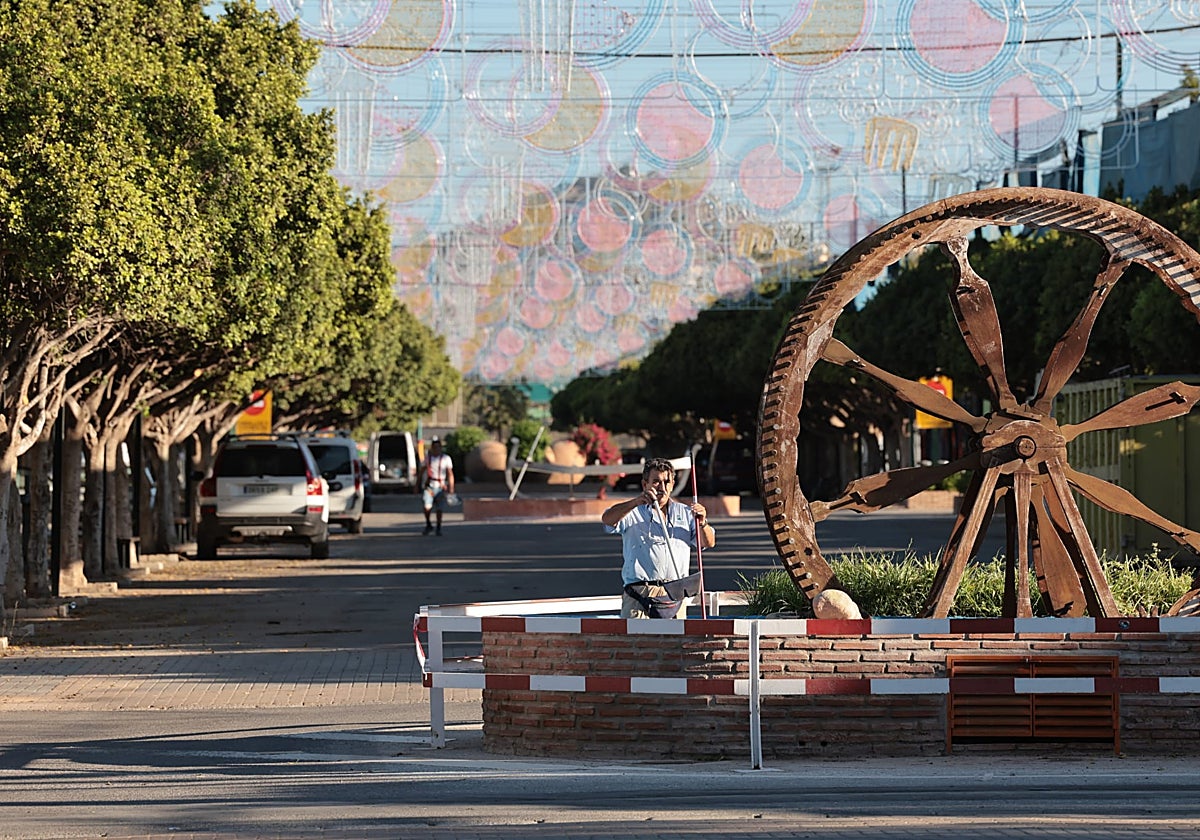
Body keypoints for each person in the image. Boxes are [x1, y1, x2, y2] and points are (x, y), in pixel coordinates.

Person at [601, 457, 716, 618]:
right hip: (640, 595)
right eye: (656, 482)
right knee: (638, 635)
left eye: (667, 482)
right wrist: (634, 502)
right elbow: (607, 519)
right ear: (645, 485)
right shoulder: (633, 511)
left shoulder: (686, 512)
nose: (662, 487)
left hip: (675, 594)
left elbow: (708, 542)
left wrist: (703, 522)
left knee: (677, 636)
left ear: (673, 484)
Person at [420, 437, 455, 536]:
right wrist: (418, 484)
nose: (436, 449)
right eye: (434, 447)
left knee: (439, 508)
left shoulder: (446, 459)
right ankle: (428, 524)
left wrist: (451, 488)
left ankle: (438, 527)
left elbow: (450, 474)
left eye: (438, 447)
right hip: (429, 487)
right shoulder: (428, 458)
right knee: (427, 506)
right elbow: (421, 471)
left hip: (440, 486)